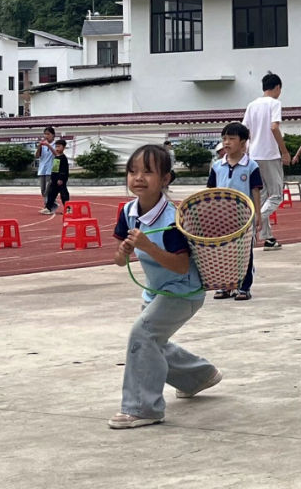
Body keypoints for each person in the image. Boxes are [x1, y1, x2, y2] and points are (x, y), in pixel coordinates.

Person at [109, 144, 219, 429]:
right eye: (132, 171)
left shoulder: (173, 221)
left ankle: (143, 408)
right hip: (156, 291)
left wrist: (146, 246)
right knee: (153, 341)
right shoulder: (128, 211)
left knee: (142, 335)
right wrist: (122, 252)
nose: (138, 178)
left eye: (148, 171)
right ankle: (200, 376)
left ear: (166, 179)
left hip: (183, 292)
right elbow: (119, 261)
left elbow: (182, 266)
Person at [207, 123, 262, 300]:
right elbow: (210, 192)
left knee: (244, 252)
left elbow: (255, 191)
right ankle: (225, 286)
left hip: (243, 218)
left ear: (243, 142)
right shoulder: (217, 166)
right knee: (222, 252)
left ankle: (244, 287)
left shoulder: (250, 166)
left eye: (232, 139)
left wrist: (258, 215)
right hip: (221, 218)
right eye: (224, 139)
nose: (227, 142)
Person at [241, 73, 288, 250]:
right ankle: (254, 222)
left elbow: (245, 131)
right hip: (270, 154)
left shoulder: (252, 105)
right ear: (277, 87)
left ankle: (267, 238)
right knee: (276, 196)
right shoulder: (274, 103)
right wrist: (284, 151)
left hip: (254, 155)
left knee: (260, 197)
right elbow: (274, 126)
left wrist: (245, 153)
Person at [41, 139, 70, 215]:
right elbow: (55, 168)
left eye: (59, 146)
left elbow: (64, 170)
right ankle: (48, 208)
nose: (57, 148)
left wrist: (61, 179)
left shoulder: (63, 158)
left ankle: (68, 209)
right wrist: (53, 177)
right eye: (56, 146)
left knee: (64, 194)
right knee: (51, 194)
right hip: (54, 179)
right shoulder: (57, 157)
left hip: (60, 180)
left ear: (63, 147)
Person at [35, 126, 56, 213]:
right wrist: (39, 147)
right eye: (45, 134)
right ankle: (52, 205)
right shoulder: (42, 144)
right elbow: (36, 156)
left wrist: (49, 146)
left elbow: (56, 154)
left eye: (48, 134)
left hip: (51, 169)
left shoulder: (56, 144)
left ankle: (48, 206)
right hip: (42, 170)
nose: (46, 136)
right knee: (43, 191)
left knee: (48, 189)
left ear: (53, 135)